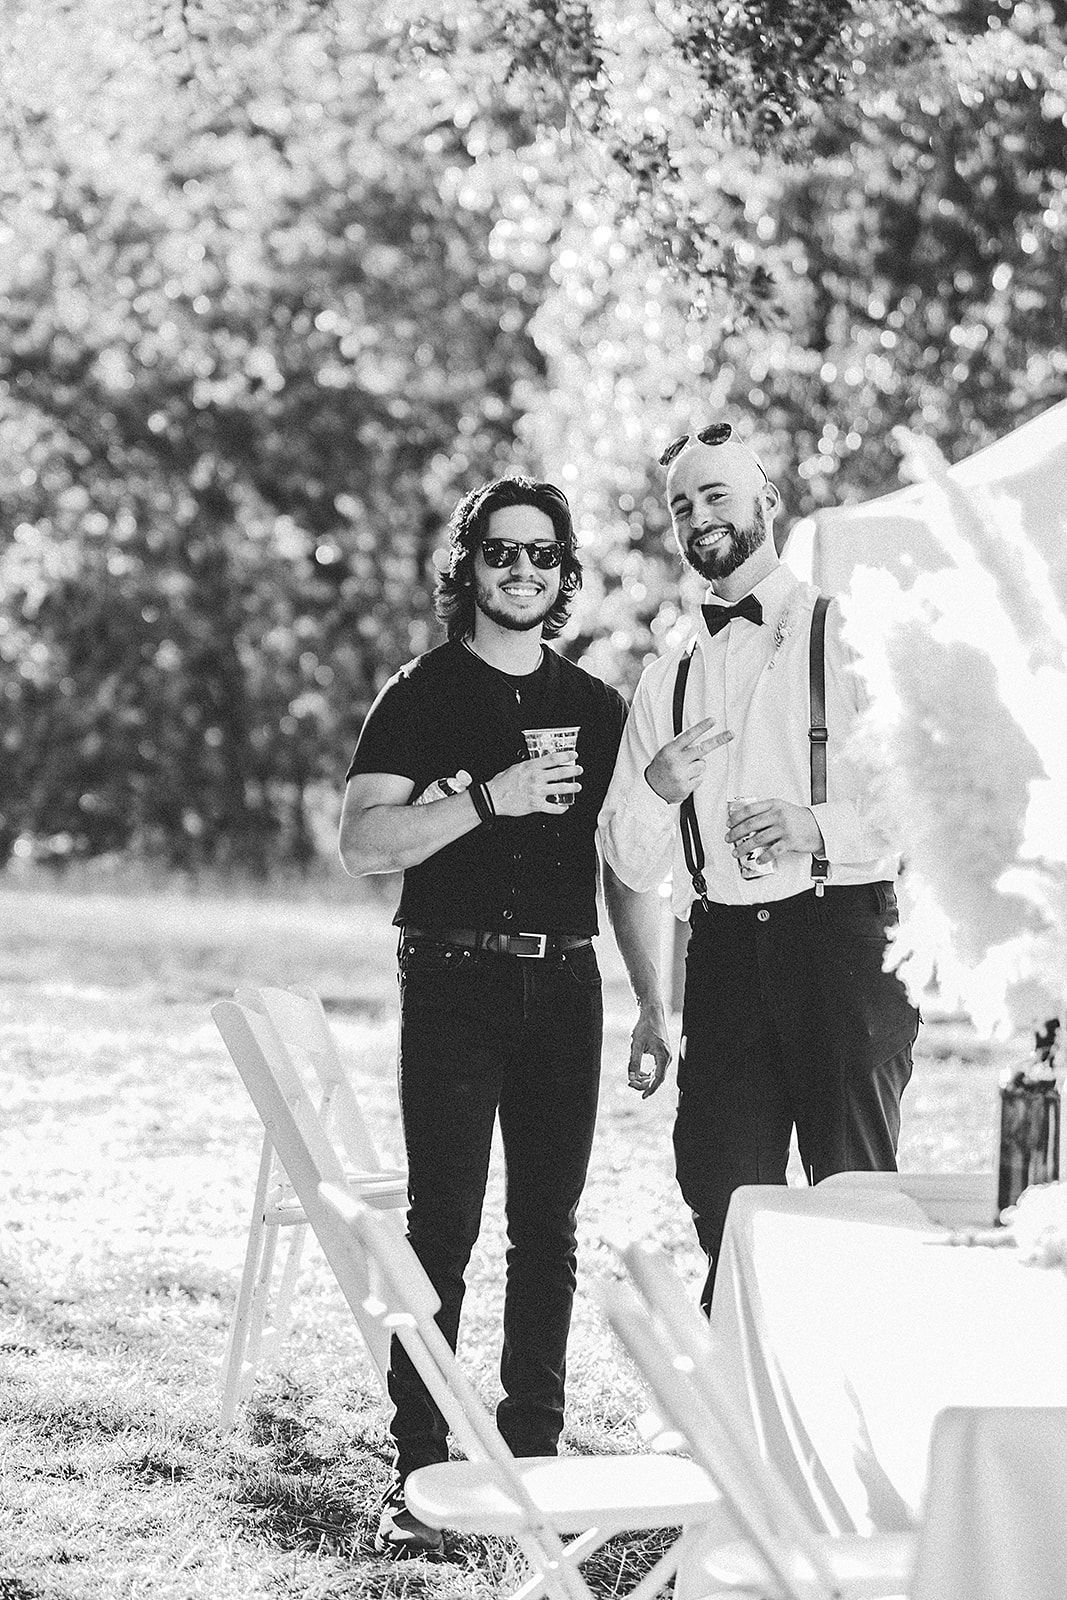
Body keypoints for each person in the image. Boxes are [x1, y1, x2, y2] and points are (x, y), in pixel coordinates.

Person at [339, 475, 669, 1555]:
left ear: (564, 574)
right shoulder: (421, 692)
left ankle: (532, 1457)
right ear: (469, 568)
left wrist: (652, 1002)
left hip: (565, 988)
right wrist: (489, 796)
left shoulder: (598, 707)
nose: (520, 571)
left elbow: (625, 869)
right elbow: (363, 845)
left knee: (549, 1231)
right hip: (449, 981)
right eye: (500, 553)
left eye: (540, 556)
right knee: (442, 1228)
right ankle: (420, 1469)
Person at [599, 421, 920, 1314]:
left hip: (842, 942)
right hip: (726, 952)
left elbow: (916, 804)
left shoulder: (850, 633)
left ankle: (861, 1404)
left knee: (853, 1197)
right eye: (681, 505)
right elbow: (627, 856)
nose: (698, 516)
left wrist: (812, 826)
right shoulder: (664, 680)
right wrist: (660, 789)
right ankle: (746, 1407)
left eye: (715, 495)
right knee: (720, 1189)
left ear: (765, 505)